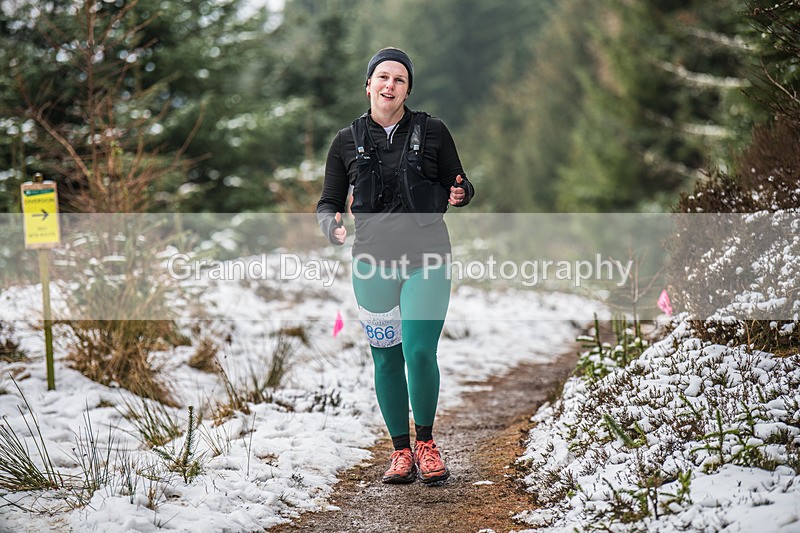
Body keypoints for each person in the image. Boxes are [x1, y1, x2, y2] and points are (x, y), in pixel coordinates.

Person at [317, 47, 474, 485]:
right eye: (382, 77)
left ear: (408, 88)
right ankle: (400, 451)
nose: (390, 85)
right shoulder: (345, 141)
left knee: (418, 350)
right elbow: (328, 201)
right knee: (385, 360)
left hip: (428, 258)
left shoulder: (434, 131)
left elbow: (459, 182)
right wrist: (330, 225)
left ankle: (425, 444)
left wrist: (461, 193)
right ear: (368, 85)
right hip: (371, 264)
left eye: (399, 79)